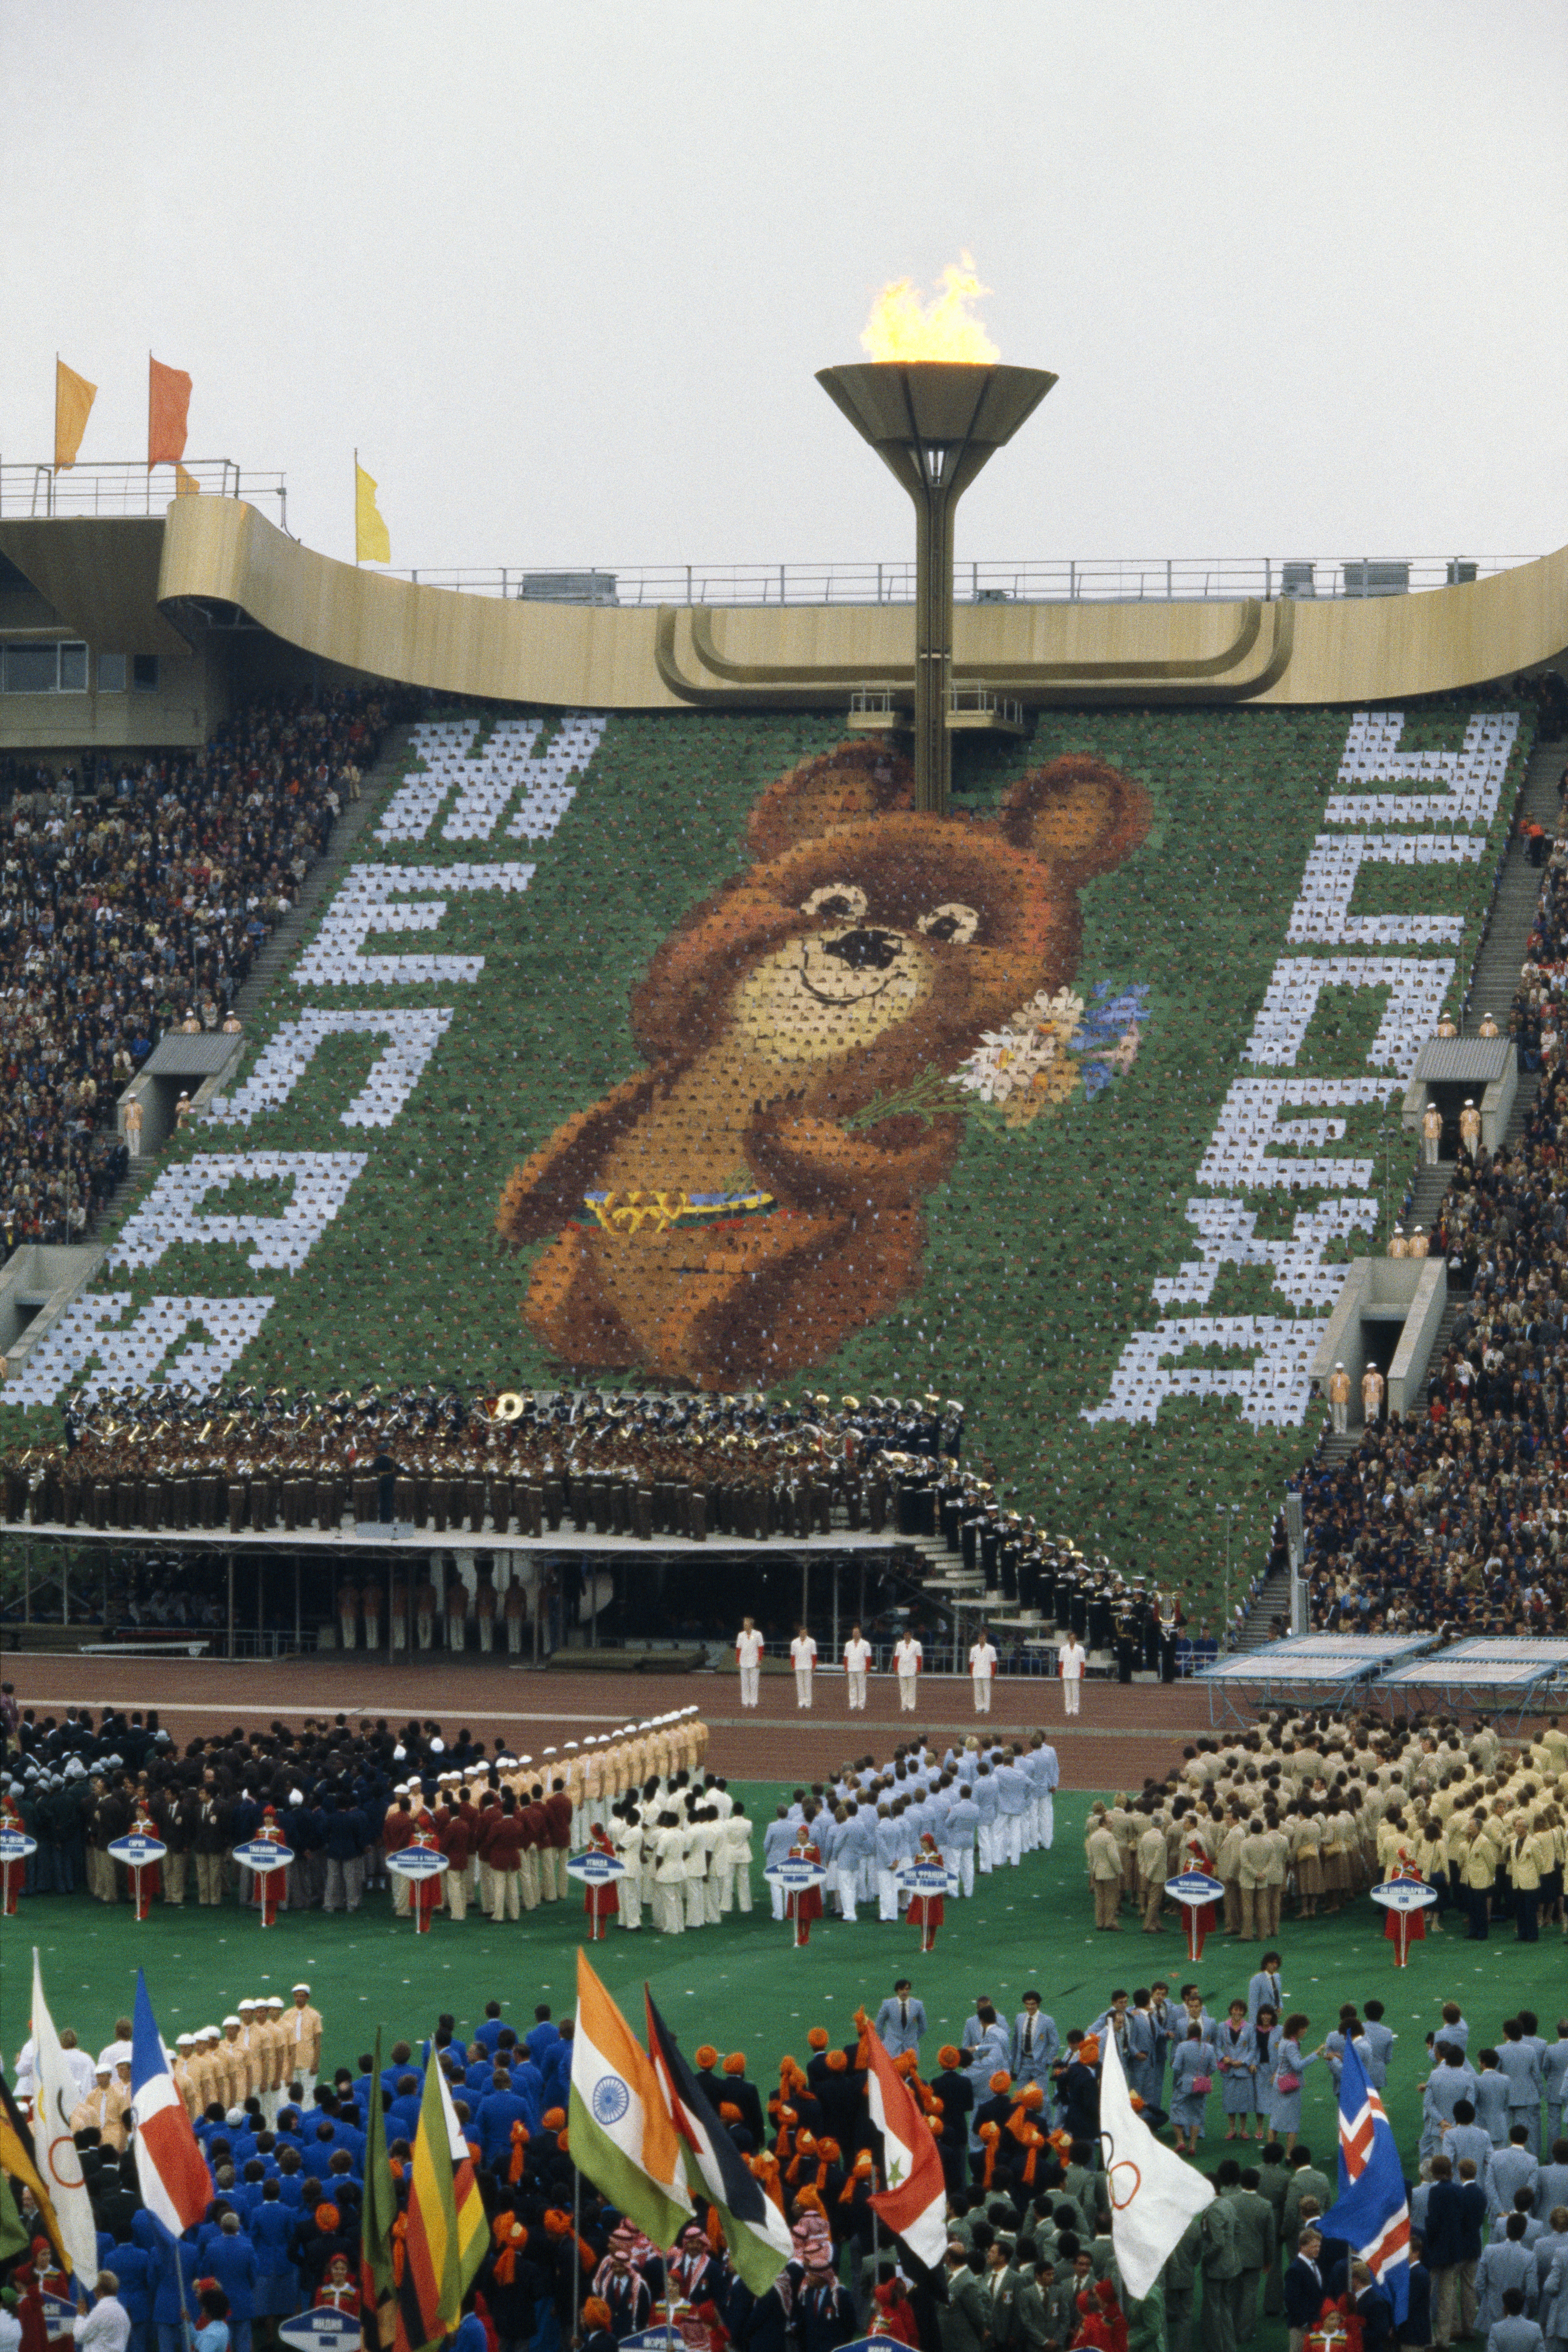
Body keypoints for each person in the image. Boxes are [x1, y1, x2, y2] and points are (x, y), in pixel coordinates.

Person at [72, 2274, 131, 2352]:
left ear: (98, 2290)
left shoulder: (100, 2311)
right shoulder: (123, 2312)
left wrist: (80, 2315)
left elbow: (79, 2336)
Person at [875, 1981, 926, 2060]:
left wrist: (913, 2038)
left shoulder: (918, 2005)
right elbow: (878, 2025)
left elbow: (923, 2027)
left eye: (907, 1989)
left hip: (911, 2050)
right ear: (897, 1990)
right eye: (902, 1989)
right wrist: (886, 2040)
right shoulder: (888, 2005)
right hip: (892, 2050)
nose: (904, 1992)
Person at [842, 1625, 871, 1713]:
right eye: (854, 1633)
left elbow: (868, 1657)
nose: (855, 1634)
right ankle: (853, 1704)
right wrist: (846, 1668)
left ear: (860, 1634)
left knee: (862, 1688)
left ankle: (861, 1705)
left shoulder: (866, 1644)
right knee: (852, 1688)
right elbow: (846, 1658)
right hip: (851, 1669)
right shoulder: (848, 1644)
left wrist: (867, 1669)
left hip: (861, 1669)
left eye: (857, 1632)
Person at [736, 1618, 764, 1710]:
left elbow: (761, 1647)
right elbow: (738, 1648)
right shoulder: (741, 1635)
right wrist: (738, 1661)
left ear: (751, 1625)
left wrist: (759, 1660)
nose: (745, 1626)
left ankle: (754, 1702)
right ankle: (745, 1702)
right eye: (744, 1625)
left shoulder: (758, 1634)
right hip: (744, 1661)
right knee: (744, 1683)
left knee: (754, 1682)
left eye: (747, 1625)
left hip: (754, 1661)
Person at [968, 1631, 998, 1715]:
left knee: (986, 1691)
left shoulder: (991, 1649)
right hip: (977, 1672)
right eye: (981, 1638)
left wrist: (993, 1673)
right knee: (978, 1691)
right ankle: (979, 1707)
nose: (982, 1640)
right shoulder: (974, 1649)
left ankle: (986, 1708)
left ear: (986, 1639)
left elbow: (994, 1662)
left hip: (987, 1672)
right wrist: (971, 1673)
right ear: (978, 1639)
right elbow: (972, 1662)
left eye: (984, 1638)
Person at [893, 1632, 922, 1711]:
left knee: (912, 1689)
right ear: (904, 1636)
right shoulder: (899, 1644)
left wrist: (918, 1669)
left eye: (909, 1635)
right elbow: (896, 1657)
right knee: (903, 1690)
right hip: (902, 1669)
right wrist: (895, 1669)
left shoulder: (917, 1644)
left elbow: (919, 1658)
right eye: (905, 1635)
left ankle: (911, 1706)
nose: (907, 1636)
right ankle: (904, 1706)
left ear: (911, 1636)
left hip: (912, 1669)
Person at [790, 1625, 817, 1710]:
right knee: (800, 1685)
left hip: (808, 1666)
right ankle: (801, 1702)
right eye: (802, 1633)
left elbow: (814, 1655)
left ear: (807, 1633)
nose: (803, 1634)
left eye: (805, 1632)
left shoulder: (812, 1642)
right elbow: (793, 1656)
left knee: (808, 1685)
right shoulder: (794, 1642)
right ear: (799, 1633)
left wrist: (813, 1666)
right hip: (798, 1666)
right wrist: (793, 1666)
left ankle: (808, 1702)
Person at [1059, 1632, 1086, 1717]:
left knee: (1075, 1693)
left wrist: (1082, 1675)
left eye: (1073, 1638)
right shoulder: (1064, 1649)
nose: (1072, 1640)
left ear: (1076, 1639)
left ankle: (1075, 1709)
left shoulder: (1080, 1649)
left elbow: (1082, 1663)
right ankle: (1068, 1710)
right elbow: (1061, 1663)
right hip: (1066, 1673)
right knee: (1067, 1693)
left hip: (1076, 1673)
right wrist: (1061, 1674)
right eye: (1070, 1638)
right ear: (1068, 1639)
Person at [1327, 1363, 1350, 1434]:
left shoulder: (1346, 1377)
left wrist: (1347, 1398)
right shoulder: (1333, 1377)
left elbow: (1348, 1389)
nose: (1339, 1370)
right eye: (1338, 1369)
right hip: (1335, 1397)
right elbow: (1331, 1389)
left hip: (1343, 1397)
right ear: (1336, 1369)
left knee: (1343, 1414)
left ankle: (1343, 1429)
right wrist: (1331, 1397)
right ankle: (1337, 1429)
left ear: (1342, 1369)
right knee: (1336, 1414)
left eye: (1340, 1369)